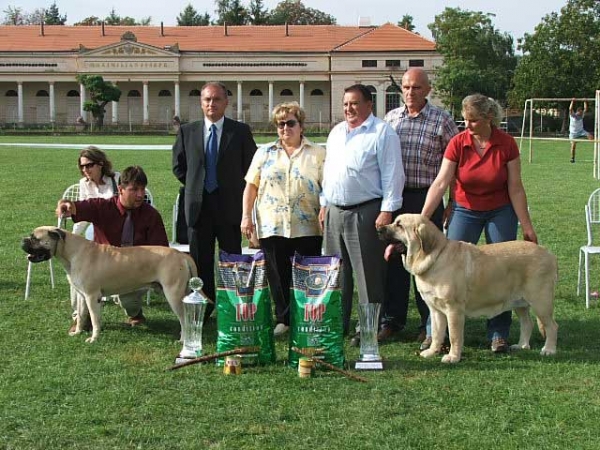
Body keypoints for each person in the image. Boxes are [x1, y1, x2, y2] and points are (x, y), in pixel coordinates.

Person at [421, 93, 537, 354]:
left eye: (472, 121)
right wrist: (423, 217)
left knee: (502, 271)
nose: (467, 126)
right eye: (464, 120)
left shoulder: (506, 144)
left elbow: (516, 188)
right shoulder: (457, 143)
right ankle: (434, 334)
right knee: (444, 268)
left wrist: (527, 227)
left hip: (501, 210)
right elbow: (441, 182)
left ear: (488, 118)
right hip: (465, 208)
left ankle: (498, 334)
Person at [320, 84, 405, 345]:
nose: (349, 109)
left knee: (368, 275)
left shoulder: (382, 132)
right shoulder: (336, 132)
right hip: (335, 212)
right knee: (336, 273)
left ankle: (367, 328)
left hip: (366, 211)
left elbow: (393, 173)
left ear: (369, 104)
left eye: (355, 103)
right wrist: (324, 203)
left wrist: (387, 209)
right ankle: (337, 324)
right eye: (346, 104)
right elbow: (329, 170)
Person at [379, 68, 459, 344]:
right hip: (397, 199)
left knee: (428, 261)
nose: (410, 93)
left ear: (427, 90)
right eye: (406, 87)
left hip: (428, 199)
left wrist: (453, 200)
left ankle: (430, 326)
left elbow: (456, 165)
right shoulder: (390, 120)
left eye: (416, 88)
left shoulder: (442, 121)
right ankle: (392, 320)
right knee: (393, 261)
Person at [172, 81, 257, 319]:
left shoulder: (239, 131)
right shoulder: (187, 131)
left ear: (226, 102)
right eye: (207, 99)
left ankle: (233, 306)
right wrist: (196, 185)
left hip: (229, 206)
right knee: (200, 262)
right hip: (198, 206)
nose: (212, 104)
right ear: (201, 103)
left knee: (232, 259)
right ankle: (205, 306)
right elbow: (178, 166)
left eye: (217, 99)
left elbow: (251, 168)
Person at [241, 102, 325, 336]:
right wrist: (246, 217)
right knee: (277, 276)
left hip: (307, 225)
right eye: (280, 124)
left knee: (306, 276)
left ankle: (307, 318)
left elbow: (327, 186)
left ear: (301, 125)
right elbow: (251, 187)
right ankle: (284, 319)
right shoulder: (264, 152)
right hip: (272, 224)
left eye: (290, 123)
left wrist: (325, 207)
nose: (285, 128)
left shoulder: (317, 153)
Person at [56, 166, 169, 326]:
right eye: (134, 189)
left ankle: (135, 314)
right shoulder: (102, 207)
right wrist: (65, 205)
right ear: (121, 189)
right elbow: (75, 207)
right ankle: (80, 318)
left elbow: (161, 250)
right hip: (101, 268)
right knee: (78, 277)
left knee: (128, 298)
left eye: (143, 189)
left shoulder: (151, 215)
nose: (140, 195)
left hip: (135, 270)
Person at [68, 146, 120, 332]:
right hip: (95, 233)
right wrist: (73, 237)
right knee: (77, 270)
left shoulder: (117, 179)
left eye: (89, 166)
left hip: (117, 234)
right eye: (82, 167)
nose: (85, 170)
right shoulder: (84, 184)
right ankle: (79, 316)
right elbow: (82, 214)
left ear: (101, 164)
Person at [569, 98, 593, 163]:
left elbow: (585, 109)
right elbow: (570, 109)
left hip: (581, 131)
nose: (582, 114)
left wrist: (585, 101)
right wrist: (572, 101)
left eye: (582, 113)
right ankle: (572, 158)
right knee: (573, 146)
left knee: (590, 136)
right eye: (580, 112)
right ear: (578, 111)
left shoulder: (581, 115)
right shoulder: (572, 115)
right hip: (573, 133)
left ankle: (595, 148)